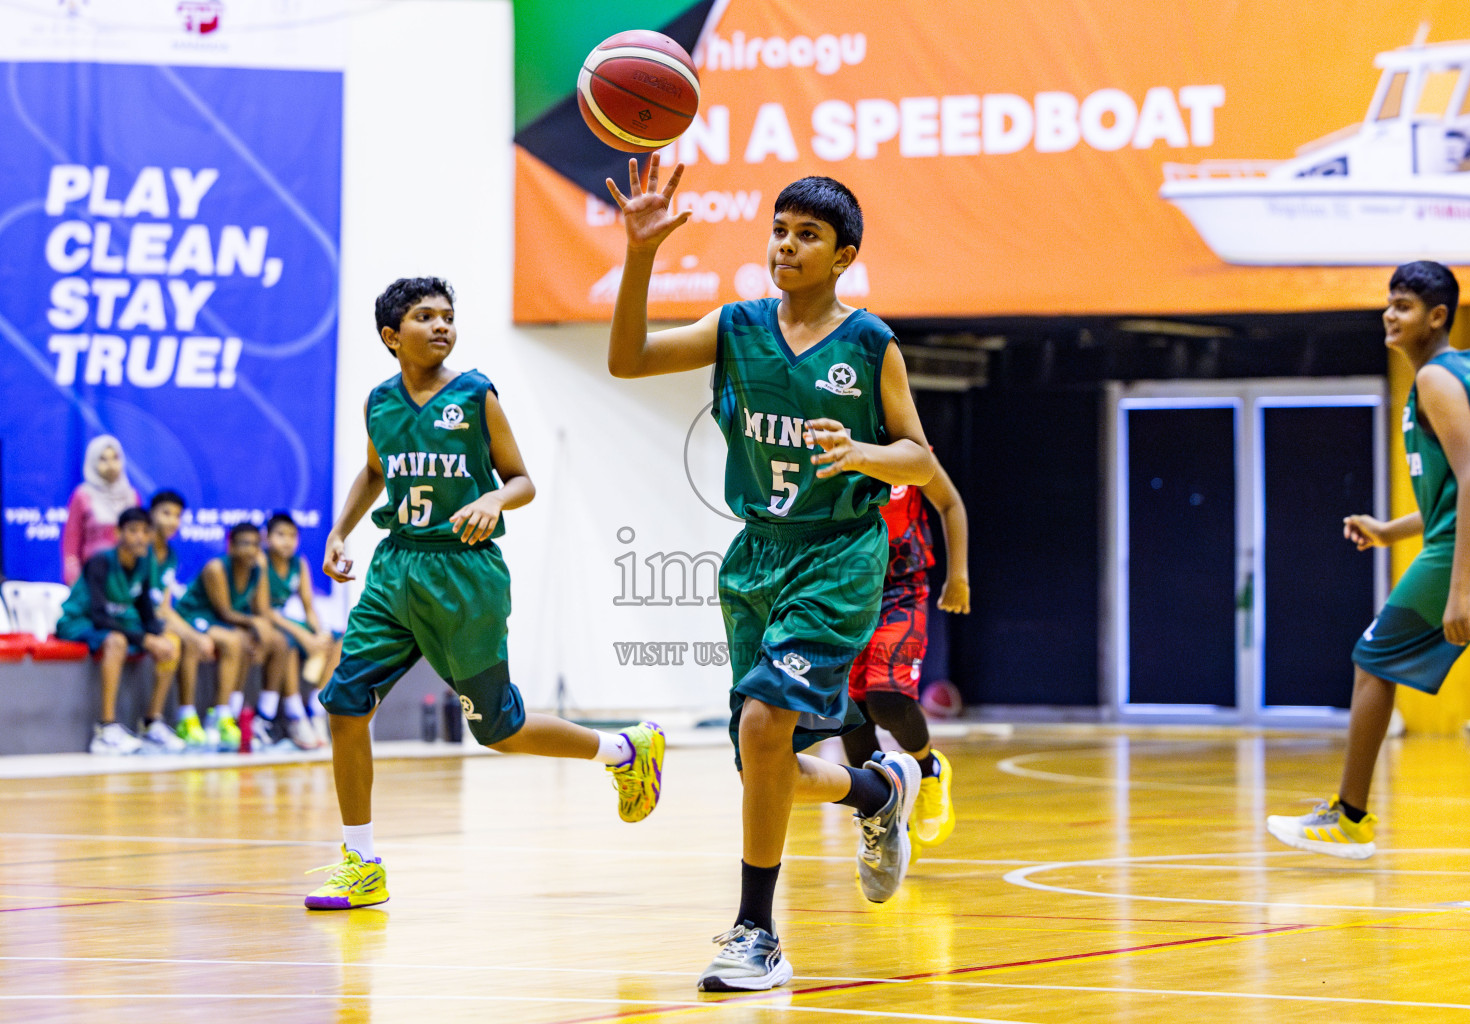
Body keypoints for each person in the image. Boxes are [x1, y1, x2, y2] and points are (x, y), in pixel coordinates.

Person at [607, 159, 936, 991]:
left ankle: (757, 933)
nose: (786, 246)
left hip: (837, 554)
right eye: (780, 230)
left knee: (762, 726)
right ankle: (875, 791)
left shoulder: (870, 345)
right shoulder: (735, 326)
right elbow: (628, 359)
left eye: (808, 236)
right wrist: (640, 253)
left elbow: (921, 459)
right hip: (757, 553)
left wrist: (866, 453)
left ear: (844, 255)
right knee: (767, 763)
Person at [304, 276, 664, 912]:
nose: (442, 325)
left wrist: (494, 498)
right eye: (425, 316)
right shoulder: (379, 403)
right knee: (344, 704)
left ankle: (624, 749)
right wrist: (339, 530)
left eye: (448, 315)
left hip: (464, 577)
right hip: (395, 571)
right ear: (393, 336)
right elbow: (374, 470)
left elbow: (521, 479)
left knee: (499, 730)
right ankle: (360, 863)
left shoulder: (475, 394)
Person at [1268, 261, 1470, 859]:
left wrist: (1460, 589)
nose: (1391, 314)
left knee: (1373, 660)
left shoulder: (1437, 381)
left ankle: (1350, 819)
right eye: (1389, 303)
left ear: (1437, 317)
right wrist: (1392, 531)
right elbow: (1466, 490)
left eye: (1405, 306)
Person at [842, 453, 970, 860]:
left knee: (887, 699)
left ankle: (929, 768)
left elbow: (950, 503)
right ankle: (879, 818)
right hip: (843, 590)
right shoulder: (826, 450)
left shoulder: (908, 449)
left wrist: (959, 575)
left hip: (900, 587)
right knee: (848, 713)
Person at [54, 508, 181, 754]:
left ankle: (152, 722)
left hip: (119, 624)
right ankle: (106, 729)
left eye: (146, 532)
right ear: (117, 533)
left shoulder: (144, 563)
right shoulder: (100, 561)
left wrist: (159, 637)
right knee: (117, 642)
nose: (140, 537)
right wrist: (145, 640)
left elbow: (145, 612)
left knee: (170, 641)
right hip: (80, 622)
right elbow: (99, 616)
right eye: (133, 531)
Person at [174, 523, 285, 751]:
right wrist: (254, 623)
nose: (251, 549)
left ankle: (241, 715)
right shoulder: (216, 568)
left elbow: (259, 609)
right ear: (230, 546)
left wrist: (258, 625)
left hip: (225, 621)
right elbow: (224, 611)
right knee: (234, 641)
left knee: (267, 641)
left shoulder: (257, 569)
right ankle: (213, 715)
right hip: (196, 615)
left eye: (256, 544)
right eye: (244, 543)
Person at [144, 488, 215, 748]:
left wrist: (194, 637)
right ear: (150, 515)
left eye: (177, 516)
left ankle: (184, 717)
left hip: (153, 619)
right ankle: (151, 721)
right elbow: (150, 608)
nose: (172, 521)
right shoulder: (141, 549)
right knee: (174, 642)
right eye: (165, 513)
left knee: (185, 640)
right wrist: (190, 635)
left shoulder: (171, 555)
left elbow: (164, 607)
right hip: (132, 618)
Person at [262, 511, 333, 749]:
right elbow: (266, 611)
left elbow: (308, 606)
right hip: (265, 621)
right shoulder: (261, 562)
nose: (287, 541)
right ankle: (295, 714)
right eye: (280, 535)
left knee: (335, 639)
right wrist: (303, 635)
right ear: (267, 537)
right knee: (289, 643)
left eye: (292, 535)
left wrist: (317, 631)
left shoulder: (299, 563)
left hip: (283, 620)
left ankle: (316, 707)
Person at [61, 435, 140, 585]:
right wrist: (74, 582)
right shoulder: (83, 495)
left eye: (115, 458)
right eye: (103, 459)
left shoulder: (131, 496)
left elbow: (141, 540)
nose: (111, 465)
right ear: (92, 461)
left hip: (127, 578)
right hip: (91, 578)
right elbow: (71, 544)